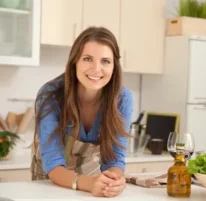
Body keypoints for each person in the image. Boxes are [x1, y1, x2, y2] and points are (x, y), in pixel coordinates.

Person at [30, 26, 133, 198]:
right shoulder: (50, 95)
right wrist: (90, 183)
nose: (96, 69)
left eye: (105, 61)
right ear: (74, 61)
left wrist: (114, 181)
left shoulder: (122, 98)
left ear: (114, 66)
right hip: (50, 184)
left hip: (92, 186)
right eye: (87, 59)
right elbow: (54, 166)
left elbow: (115, 160)